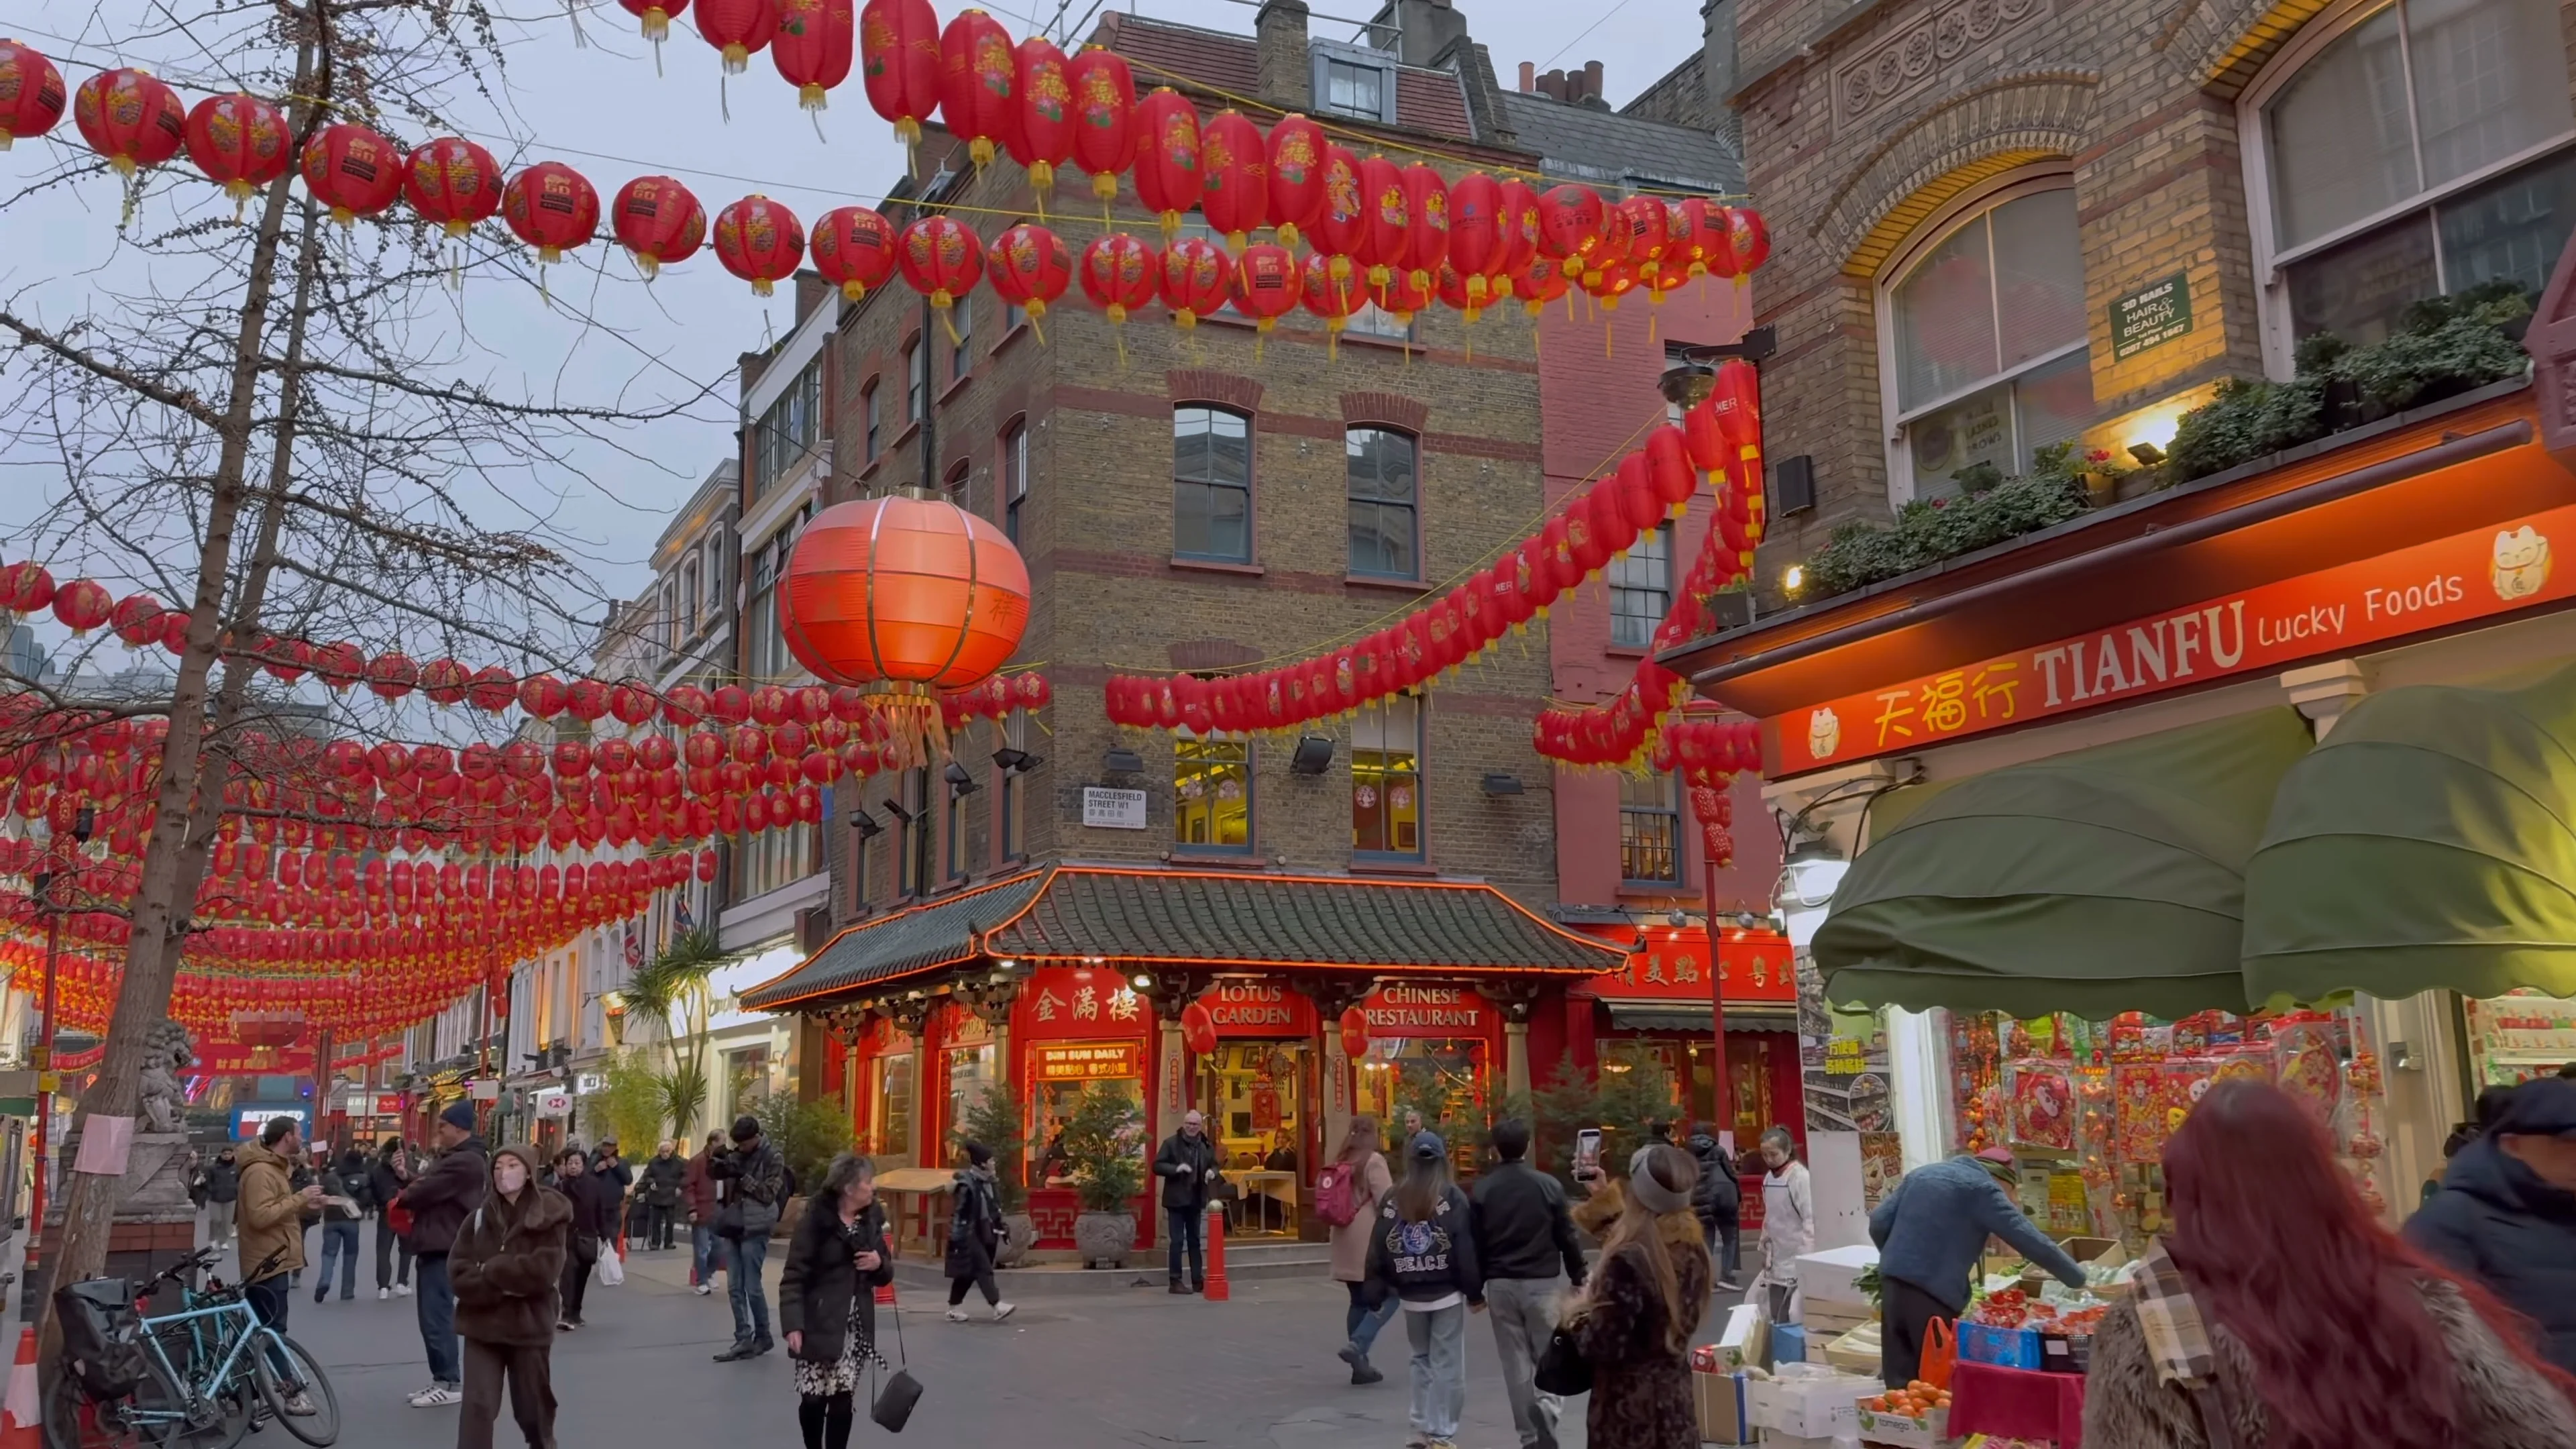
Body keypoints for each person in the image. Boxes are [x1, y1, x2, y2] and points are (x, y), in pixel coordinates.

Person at [2086, 1079, 2576, 1447]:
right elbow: (2541, 1433)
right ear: (2321, 1184)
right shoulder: (2420, 1302)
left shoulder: (2151, 1331)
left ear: (2187, 1197)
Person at [1870, 1146, 2087, 1385]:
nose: (2010, 1199)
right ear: (2001, 1181)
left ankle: (1897, 1408)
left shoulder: (1922, 1174)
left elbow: (1879, 1221)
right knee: (1936, 1380)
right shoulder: (1983, 1189)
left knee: (1900, 1379)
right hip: (1932, 1295)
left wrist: (1898, 1259)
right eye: (2010, 1193)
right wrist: (2077, 1278)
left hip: (1892, 1285)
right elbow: (2029, 1239)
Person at [2408, 1075, 2576, 1375]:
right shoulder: (2451, 1220)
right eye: (2565, 1143)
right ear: (2513, 1144)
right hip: (2527, 1398)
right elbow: (2434, 1344)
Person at [1568, 1144, 1717, 1449]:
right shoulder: (1694, 1250)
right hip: (1675, 1404)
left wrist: (1579, 1316)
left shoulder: (1627, 1262)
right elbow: (1645, 1246)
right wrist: (1602, 1197)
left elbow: (1602, 1345)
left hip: (1628, 1414)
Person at [1470, 1119, 1587, 1449]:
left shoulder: (1483, 1190)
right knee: (1552, 1353)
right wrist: (1578, 1274)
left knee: (1515, 1362)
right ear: (1527, 1146)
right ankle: (1548, 1408)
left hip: (1501, 1283)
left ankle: (1528, 1436)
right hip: (1542, 1281)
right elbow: (1566, 1234)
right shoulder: (1547, 1185)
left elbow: (1475, 1243)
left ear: (1496, 1149)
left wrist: (1474, 1289)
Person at [1365, 1130, 1482, 1449]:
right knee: (1448, 1364)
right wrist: (1474, 1292)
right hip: (1446, 1293)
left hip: (1410, 1294)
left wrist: (1375, 1291)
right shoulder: (1452, 1196)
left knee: (1420, 1359)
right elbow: (1465, 1248)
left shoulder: (1394, 1197)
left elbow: (1378, 1246)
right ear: (1443, 1160)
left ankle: (1419, 1427)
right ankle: (1441, 1432)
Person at [451, 1142, 571, 1449]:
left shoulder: (549, 1216)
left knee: (533, 1407)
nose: (504, 1173)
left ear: (529, 1172)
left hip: (528, 1327)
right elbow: (459, 1272)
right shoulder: (478, 1219)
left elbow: (544, 1270)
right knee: (478, 1406)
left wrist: (492, 1269)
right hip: (482, 1325)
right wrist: (501, 1284)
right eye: (498, 1166)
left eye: (513, 1165)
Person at [781, 1153, 895, 1449]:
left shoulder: (871, 1222)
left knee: (842, 1400)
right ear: (848, 1188)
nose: (873, 1187)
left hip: (854, 1328)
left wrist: (878, 1263)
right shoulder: (815, 1223)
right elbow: (794, 1276)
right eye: (868, 1182)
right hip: (818, 1322)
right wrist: (793, 1325)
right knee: (813, 1400)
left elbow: (885, 1274)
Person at [398, 1103, 490, 1409]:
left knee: (436, 1315)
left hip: (444, 1243)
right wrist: (409, 1178)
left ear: (459, 1127)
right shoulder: (459, 1158)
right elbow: (427, 1186)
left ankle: (449, 1381)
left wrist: (407, 1191)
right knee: (432, 1315)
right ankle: (442, 1379)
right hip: (440, 1241)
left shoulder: (465, 1161)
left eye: (443, 1125)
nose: (439, 1130)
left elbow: (424, 1191)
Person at [234, 1116, 323, 1416]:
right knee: (273, 1331)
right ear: (287, 1137)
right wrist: (298, 1199)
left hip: (272, 1258)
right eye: (299, 1133)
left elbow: (275, 1211)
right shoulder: (261, 1171)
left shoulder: (273, 1168)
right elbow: (260, 1217)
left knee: (255, 1329)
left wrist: (303, 1205)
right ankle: (289, 1392)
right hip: (267, 1261)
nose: (303, 1138)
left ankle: (243, 1391)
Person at [1328, 1116, 1400, 1385]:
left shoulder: (1341, 1159)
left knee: (1357, 1300)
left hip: (1342, 1234)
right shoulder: (1373, 1161)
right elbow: (1387, 1201)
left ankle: (1360, 1366)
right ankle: (1359, 1344)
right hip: (1367, 1237)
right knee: (1391, 1295)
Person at [710, 1114, 788, 1361]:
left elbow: (768, 1194)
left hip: (757, 1226)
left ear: (755, 1137)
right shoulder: (738, 1154)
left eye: (744, 1144)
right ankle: (743, 1338)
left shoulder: (773, 1156)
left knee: (752, 1286)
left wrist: (743, 1177)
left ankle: (763, 1336)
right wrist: (716, 1163)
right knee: (734, 1286)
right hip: (734, 1224)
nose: (741, 1148)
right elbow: (717, 1175)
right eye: (738, 1144)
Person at [943, 1140, 1016, 1323]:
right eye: (991, 1161)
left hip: (984, 1232)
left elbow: (993, 1209)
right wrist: (957, 1239)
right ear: (982, 1163)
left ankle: (953, 1308)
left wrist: (1001, 1228)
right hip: (968, 1233)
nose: (994, 1163)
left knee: (968, 1274)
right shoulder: (966, 1185)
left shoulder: (990, 1182)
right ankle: (997, 1306)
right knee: (983, 1268)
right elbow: (960, 1214)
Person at [1152, 1108, 1222, 1295]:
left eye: (1195, 1124)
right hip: (1176, 1200)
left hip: (1196, 1198)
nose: (1192, 1127)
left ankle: (1197, 1280)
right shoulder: (1171, 1143)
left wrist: (1212, 1172)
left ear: (1200, 1126)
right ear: (1184, 1124)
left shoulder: (1205, 1145)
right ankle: (1175, 1281)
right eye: (1189, 1124)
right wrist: (1176, 1168)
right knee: (1177, 1241)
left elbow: (1215, 1165)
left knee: (1195, 1241)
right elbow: (1157, 1166)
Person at [551, 1148, 617, 1332]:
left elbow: (600, 1211)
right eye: (570, 1163)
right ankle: (566, 1314)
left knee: (582, 1276)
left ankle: (576, 1312)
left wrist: (605, 1236)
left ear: (583, 1165)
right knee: (568, 1276)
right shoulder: (560, 1187)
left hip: (588, 1237)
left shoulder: (594, 1185)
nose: (573, 1167)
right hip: (567, 1238)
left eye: (577, 1163)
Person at [1756, 1126, 1813, 1326]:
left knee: (1793, 1313)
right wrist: (1764, 1246)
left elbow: (1810, 1218)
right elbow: (1770, 1216)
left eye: (1773, 1154)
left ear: (1787, 1151)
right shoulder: (1769, 1179)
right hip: (1777, 1254)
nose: (1769, 1160)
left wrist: (1806, 1256)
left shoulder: (1799, 1177)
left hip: (1797, 1251)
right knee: (1773, 1311)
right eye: (1765, 1155)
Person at [1686, 1124, 1743, 1291]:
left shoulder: (1687, 1153)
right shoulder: (1718, 1150)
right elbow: (1730, 1173)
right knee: (1729, 1237)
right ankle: (1727, 1276)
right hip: (1723, 1197)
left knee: (1707, 1239)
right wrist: (1738, 1194)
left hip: (1701, 1198)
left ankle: (1708, 1279)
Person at [310, 1144, 368, 1303]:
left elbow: (320, 1194)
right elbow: (367, 1199)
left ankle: (324, 1281)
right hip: (351, 1220)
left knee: (329, 1253)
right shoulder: (363, 1178)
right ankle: (347, 1291)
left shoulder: (330, 1177)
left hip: (331, 1219)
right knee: (350, 1255)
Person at [372, 1137, 416, 1299]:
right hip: (405, 1211)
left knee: (383, 1250)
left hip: (386, 1211)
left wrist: (380, 1203)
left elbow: (373, 1189)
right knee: (406, 1249)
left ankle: (383, 1286)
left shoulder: (378, 1169)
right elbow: (416, 1184)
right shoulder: (407, 1166)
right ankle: (402, 1283)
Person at [683, 1129, 725, 1295]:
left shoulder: (724, 1160)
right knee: (701, 1248)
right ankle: (701, 1281)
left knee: (720, 1246)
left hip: (719, 1207)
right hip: (703, 1208)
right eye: (722, 1141)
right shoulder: (698, 1161)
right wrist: (692, 1208)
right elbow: (689, 1186)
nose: (725, 1145)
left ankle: (708, 1274)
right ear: (713, 1142)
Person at [640, 1140, 685, 1251]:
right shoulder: (653, 1162)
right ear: (659, 1152)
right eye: (662, 1152)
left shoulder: (679, 1162)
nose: (665, 1154)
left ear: (671, 1151)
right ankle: (655, 1242)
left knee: (670, 1221)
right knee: (656, 1221)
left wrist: (680, 1187)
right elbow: (647, 1175)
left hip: (671, 1193)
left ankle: (669, 1242)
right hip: (657, 1194)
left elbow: (685, 1176)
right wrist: (651, 1182)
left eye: (667, 1151)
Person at [590, 1139, 635, 1246]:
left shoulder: (622, 1162)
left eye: (609, 1146)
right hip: (596, 1206)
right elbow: (586, 1178)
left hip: (614, 1207)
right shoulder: (593, 1160)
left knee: (612, 1237)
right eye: (604, 1146)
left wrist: (616, 1167)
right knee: (595, 1238)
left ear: (615, 1148)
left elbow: (628, 1180)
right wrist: (595, 1170)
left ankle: (611, 1256)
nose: (606, 1149)